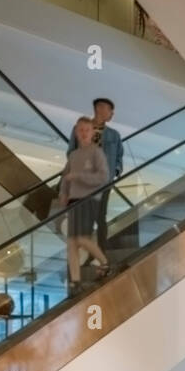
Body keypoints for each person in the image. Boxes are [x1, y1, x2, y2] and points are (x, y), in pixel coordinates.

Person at [59, 118, 109, 293]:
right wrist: (63, 193)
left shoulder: (97, 153)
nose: (83, 133)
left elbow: (103, 177)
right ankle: (75, 281)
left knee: (81, 238)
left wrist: (79, 176)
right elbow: (66, 177)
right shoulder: (73, 155)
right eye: (80, 130)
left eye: (87, 129)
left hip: (89, 199)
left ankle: (104, 262)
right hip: (74, 199)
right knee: (72, 242)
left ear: (92, 132)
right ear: (76, 132)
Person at [68, 97, 124, 253]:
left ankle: (101, 250)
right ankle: (83, 250)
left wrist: (117, 171)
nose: (111, 115)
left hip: (104, 181)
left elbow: (119, 155)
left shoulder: (114, 135)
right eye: (110, 111)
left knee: (101, 216)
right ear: (99, 108)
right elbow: (71, 151)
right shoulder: (80, 129)